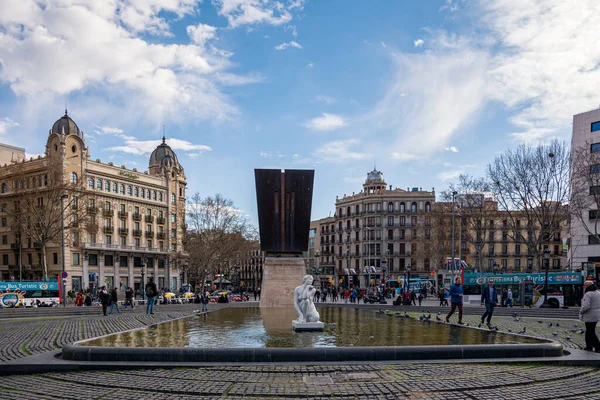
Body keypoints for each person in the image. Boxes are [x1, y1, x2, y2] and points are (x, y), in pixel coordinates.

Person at [580, 280, 600, 352]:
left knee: (590, 332)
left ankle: (597, 346)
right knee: (590, 331)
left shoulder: (588, 294)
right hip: (596, 315)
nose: (583, 287)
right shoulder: (598, 293)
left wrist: (581, 312)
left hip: (589, 315)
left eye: (584, 285)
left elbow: (586, 306)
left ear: (587, 286)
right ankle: (589, 346)